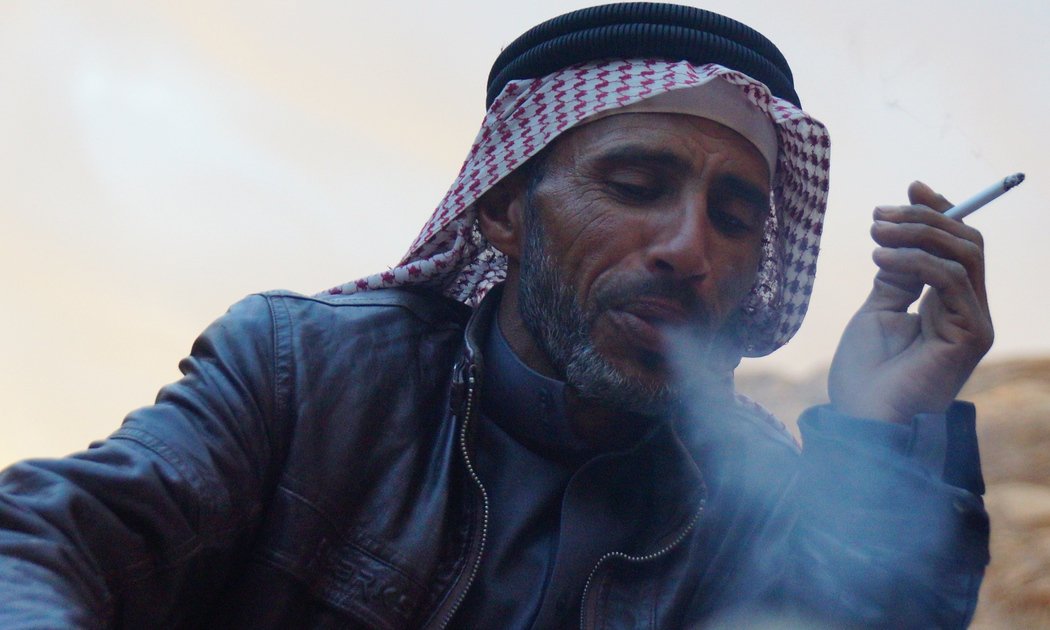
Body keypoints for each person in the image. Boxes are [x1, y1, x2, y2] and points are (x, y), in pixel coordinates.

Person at [0, 3, 992, 628]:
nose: (691, 250)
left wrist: (874, 429)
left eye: (736, 218)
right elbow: (47, 543)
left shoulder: (749, 493)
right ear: (504, 211)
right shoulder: (307, 375)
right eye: (636, 183)